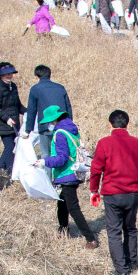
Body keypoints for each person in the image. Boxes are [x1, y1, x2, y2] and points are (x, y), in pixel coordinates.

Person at [88, 110, 138, 275]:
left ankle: (121, 269)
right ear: (128, 124)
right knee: (130, 228)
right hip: (132, 192)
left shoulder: (104, 143)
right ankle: (131, 260)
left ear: (110, 124)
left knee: (114, 231)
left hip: (112, 193)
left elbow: (96, 169)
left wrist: (94, 190)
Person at [34, 105, 98, 245]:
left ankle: (90, 239)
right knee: (61, 203)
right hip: (74, 173)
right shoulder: (72, 130)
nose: (50, 124)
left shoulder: (60, 134)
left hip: (66, 175)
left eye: (50, 121)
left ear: (55, 119)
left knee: (73, 208)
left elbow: (62, 158)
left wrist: (45, 161)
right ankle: (63, 230)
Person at [0, 62, 21, 178]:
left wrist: (28, 112)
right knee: (10, 146)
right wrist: (7, 119)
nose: (9, 76)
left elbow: (18, 105)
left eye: (10, 73)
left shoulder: (13, 86)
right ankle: (8, 170)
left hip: (15, 123)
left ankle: (2, 166)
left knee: (14, 146)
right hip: (3, 123)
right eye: (6, 74)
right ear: (0, 75)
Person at [24, 64, 72, 134]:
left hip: (45, 127)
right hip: (62, 126)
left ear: (37, 77)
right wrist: (69, 123)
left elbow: (31, 110)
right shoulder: (60, 88)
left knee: (46, 145)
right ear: (50, 75)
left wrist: (28, 130)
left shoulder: (35, 89)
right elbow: (68, 107)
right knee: (60, 144)